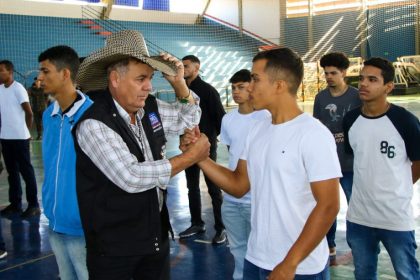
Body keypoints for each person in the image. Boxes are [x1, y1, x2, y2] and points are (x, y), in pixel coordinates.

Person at [182, 47, 341, 279]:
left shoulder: (313, 134)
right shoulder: (257, 130)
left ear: (279, 85)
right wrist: (200, 157)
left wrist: (290, 263)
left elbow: (328, 206)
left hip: (299, 267)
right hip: (256, 258)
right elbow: (238, 185)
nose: (250, 86)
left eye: (255, 79)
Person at [73, 30, 210, 280]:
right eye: (141, 78)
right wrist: (190, 158)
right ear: (115, 79)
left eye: (151, 77)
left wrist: (180, 84)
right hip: (114, 251)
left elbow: (188, 119)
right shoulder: (94, 124)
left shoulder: (150, 109)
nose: (149, 86)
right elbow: (131, 177)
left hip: (154, 237)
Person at [343, 57, 420, 280]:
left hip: (395, 217)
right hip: (359, 217)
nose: (363, 84)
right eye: (362, 78)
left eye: (372, 79)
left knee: (407, 274)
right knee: (364, 274)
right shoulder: (351, 120)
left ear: (388, 86)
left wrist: (399, 186)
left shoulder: (405, 121)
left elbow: (418, 161)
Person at [37, 45, 93, 280]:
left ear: (65, 74)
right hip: (54, 218)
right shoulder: (48, 115)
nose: (40, 78)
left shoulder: (92, 114)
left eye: (45, 71)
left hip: (83, 224)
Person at [220, 69, 270, 280]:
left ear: (253, 87)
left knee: (260, 248)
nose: (236, 91)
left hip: (257, 198)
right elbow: (233, 150)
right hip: (232, 198)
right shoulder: (228, 119)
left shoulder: (265, 117)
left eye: (241, 87)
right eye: (233, 88)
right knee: (237, 247)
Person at [313, 52, 361, 264]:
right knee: (326, 207)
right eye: (326, 73)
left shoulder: (357, 96)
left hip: (351, 165)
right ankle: (329, 246)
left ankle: (357, 246)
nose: (329, 77)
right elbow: (315, 128)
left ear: (344, 73)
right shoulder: (320, 98)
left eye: (333, 73)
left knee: (356, 209)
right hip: (328, 166)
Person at [179, 54, 226, 244]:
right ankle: (197, 222)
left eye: (186, 66)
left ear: (197, 68)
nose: (183, 69)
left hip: (206, 147)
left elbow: (221, 119)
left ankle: (221, 227)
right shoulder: (182, 91)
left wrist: (211, 139)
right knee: (191, 187)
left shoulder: (208, 91)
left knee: (214, 188)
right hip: (188, 147)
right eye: (181, 66)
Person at [0, 60, 40, 218]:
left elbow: (29, 113)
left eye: (1, 70)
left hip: (20, 138)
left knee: (26, 172)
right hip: (5, 137)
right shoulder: (0, 89)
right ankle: (15, 204)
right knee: (12, 172)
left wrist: (26, 132)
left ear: (10, 72)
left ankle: (33, 205)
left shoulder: (18, 89)